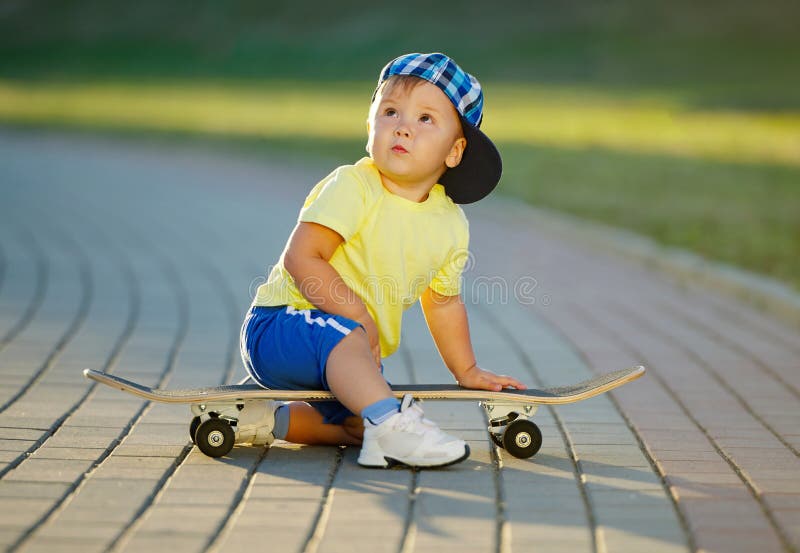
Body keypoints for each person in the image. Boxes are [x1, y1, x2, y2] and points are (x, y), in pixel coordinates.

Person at [239, 52, 525, 468]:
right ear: (370, 126)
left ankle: (265, 423)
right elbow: (303, 258)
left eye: (426, 119)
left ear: (455, 150)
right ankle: (394, 426)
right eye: (390, 111)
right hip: (281, 326)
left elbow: (442, 302)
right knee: (362, 370)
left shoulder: (449, 223)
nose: (404, 127)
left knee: (360, 425)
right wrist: (359, 317)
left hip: (349, 351)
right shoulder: (354, 186)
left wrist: (468, 370)